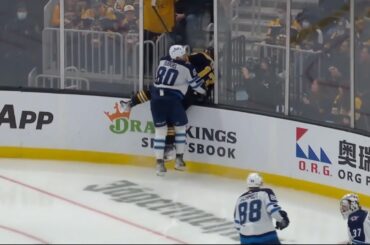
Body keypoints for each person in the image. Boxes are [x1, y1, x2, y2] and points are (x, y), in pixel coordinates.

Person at [120, 47, 215, 161]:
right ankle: (169, 147)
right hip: (194, 92)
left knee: (154, 92)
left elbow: (188, 65)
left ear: (207, 52)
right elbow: (204, 86)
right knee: (161, 100)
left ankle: (130, 103)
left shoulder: (199, 57)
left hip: (190, 91)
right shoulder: (211, 67)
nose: (186, 56)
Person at [149, 45, 206, 176]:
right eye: (184, 53)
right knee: (180, 128)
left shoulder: (162, 60)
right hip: (172, 100)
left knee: (160, 131)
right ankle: (179, 159)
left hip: (156, 99)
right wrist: (204, 91)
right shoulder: (187, 67)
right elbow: (197, 87)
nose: (187, 55)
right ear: (179, 55)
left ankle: (159, 164)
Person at [234, 173, 289, 244]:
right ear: (260, 182)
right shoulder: (266, 192)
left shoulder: (240, 199)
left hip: (245, 238)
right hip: (266, 235)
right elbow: (273, 210)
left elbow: (237, 225)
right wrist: (282, 220)